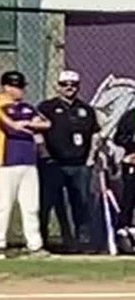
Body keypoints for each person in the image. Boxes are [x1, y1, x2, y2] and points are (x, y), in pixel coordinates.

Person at [0, 71, 52, 259]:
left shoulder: (27, 107)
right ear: (7, 87)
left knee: (31, 205)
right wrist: (28, 124)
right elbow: (13, 127)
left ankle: (35, 245)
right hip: (6, 161)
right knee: (3, 204)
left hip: (28, 161)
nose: (21, 90)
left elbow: (46, 124)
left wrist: (29, 123)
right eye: (17, 86)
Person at [37, 70, 100, 251]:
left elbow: (95, 135)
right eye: (65, 85)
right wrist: (45, 155)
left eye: (73, 85)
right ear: (58, 86)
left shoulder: (86, 110)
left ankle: (82, 241)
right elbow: (38, 133)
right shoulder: (46, 107)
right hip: (53, 164)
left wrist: (90, 158)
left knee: (81, 202)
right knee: (47, 203)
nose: (69, 88)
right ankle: (42, 240)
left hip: (79, 164)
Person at [112, 104, 135, 242]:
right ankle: (124, 233)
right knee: (129, 199)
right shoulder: (131, 116)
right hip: (132, 164)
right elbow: (119, 137)